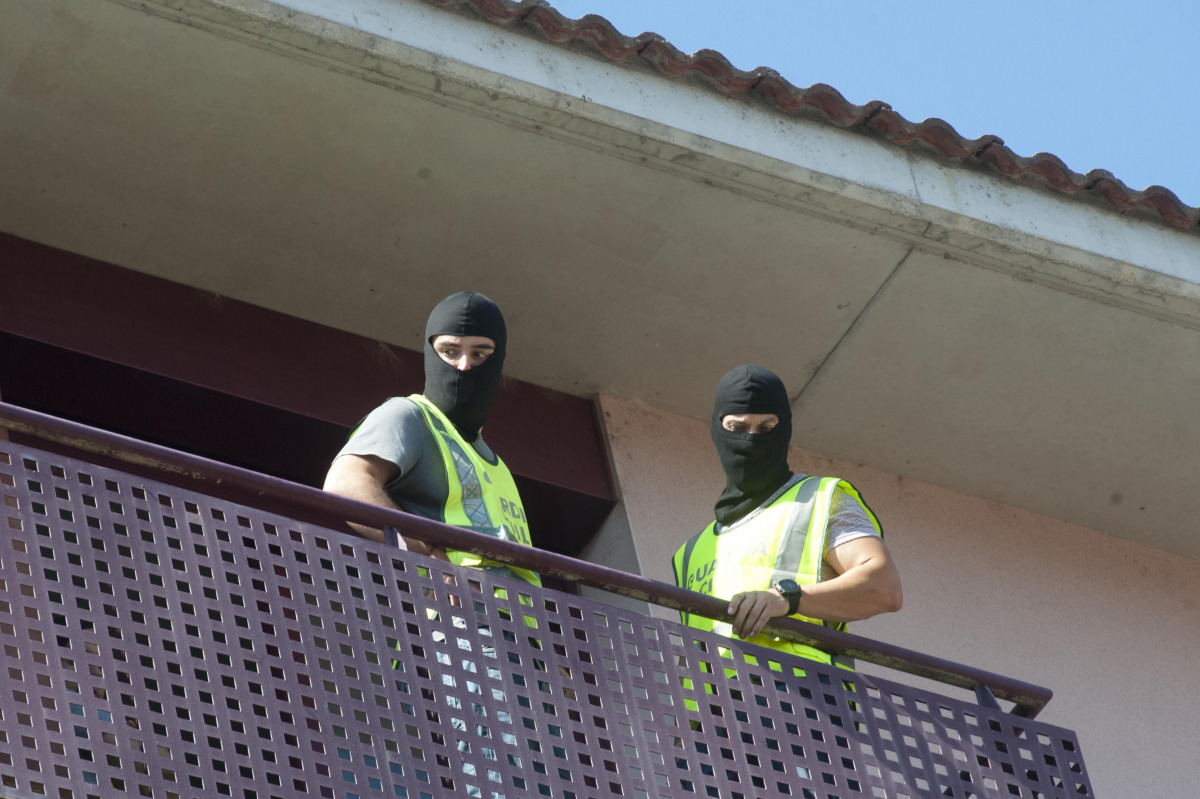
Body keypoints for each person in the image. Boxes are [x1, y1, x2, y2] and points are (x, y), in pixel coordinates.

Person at [672, 364, 902, 666]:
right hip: (715, 710)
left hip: (803, 701)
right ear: (717, 430)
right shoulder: (689, 555)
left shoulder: (819, 499)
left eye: (766, 429)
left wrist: (788, 599)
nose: (751, 439)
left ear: (785, 432)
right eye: (737, 428)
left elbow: (883, 587)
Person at [323, 290, 539, 586]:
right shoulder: (409, 415)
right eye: (450, 351)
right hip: (457, 621)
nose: (463, 366)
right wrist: (426, 551)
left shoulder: (496, 465)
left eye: (479, 354)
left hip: (524, 627)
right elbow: (344, 487)